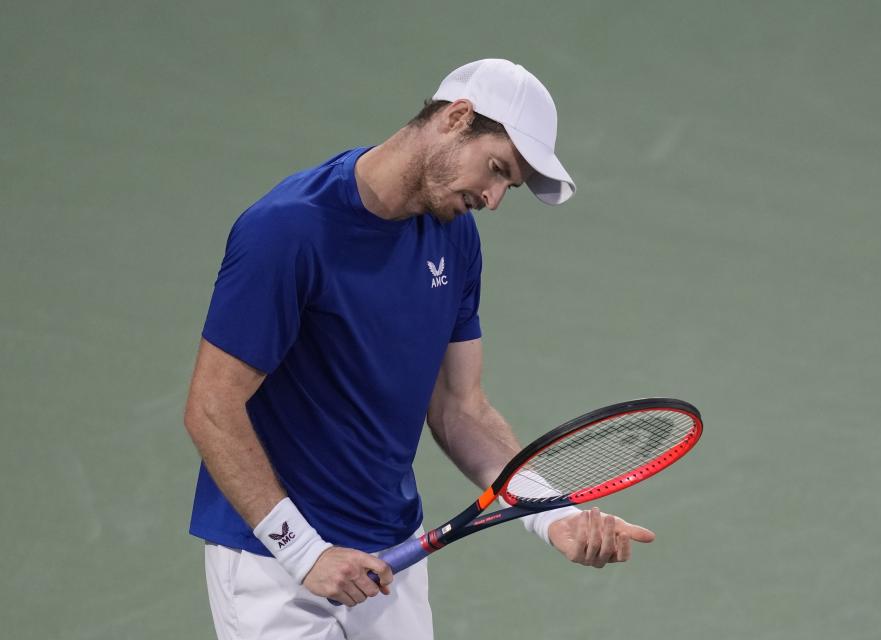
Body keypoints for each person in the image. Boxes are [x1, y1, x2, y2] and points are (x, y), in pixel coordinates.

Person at [184, 58, 655, 640]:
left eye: (508, 186)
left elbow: (462, 409)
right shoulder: (287, 231)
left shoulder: (455, 238)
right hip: (275, 564)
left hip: (391, 557)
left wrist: (552, 516)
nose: (494, 198)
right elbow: (212, 405)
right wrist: (304, 552)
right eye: (497, 170)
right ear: (457, 118)